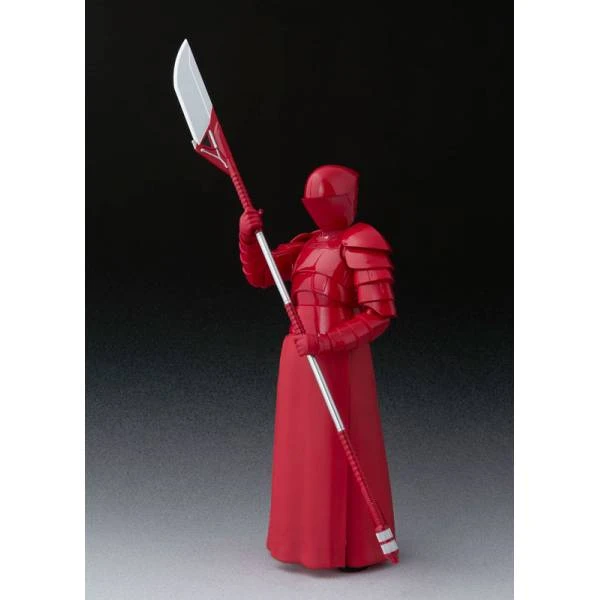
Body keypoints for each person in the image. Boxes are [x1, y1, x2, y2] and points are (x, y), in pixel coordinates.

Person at [239, 164, 397, 570]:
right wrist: (248, 237)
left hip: (339, 359)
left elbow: (378, 315)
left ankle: (346, 546)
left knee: (336, 450)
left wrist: (325, 342)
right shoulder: (309, 244)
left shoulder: (362, 241)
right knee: (301, 450)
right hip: (300, 359)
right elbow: (263, 275)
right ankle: (301, 541)